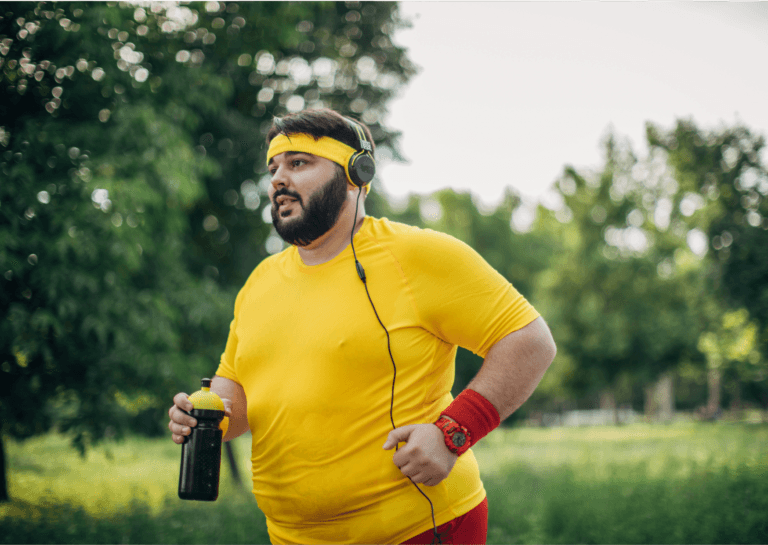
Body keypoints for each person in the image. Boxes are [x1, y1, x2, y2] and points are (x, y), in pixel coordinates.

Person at [168, 108, 557, 544]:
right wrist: (204, 415)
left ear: (356, 173)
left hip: (419, 528)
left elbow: (530, 340)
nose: (278, 179)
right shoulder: (260, 283)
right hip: (290, 537)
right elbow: (236, 393)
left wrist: (453, 433)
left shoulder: (417, 255)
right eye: (273, 168)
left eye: (298, 163)